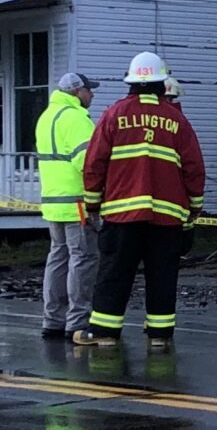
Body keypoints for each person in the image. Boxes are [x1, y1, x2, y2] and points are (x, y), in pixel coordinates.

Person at [75, 52, 205, 348]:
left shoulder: (113, 115)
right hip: (166, 218)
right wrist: (194, 207)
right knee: (162, 275)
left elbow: (94, 164)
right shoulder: (177, 119)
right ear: (161, 82)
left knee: (114, 273)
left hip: (122, 216)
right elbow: (194, 168)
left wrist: (92, 206)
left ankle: (105, 333)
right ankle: (160, 336)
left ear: (131, 82)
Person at [33, 71, 99, 340]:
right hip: (77, 204)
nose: (92, 94)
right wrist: (100, 194)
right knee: (82, 260)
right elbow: (88, 164)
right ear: (77, 92)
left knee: (57, 259)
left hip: (53, 203)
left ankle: (53, 320)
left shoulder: (47, 116)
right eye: (89, 90)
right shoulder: (76, 119)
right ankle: (78, 321)